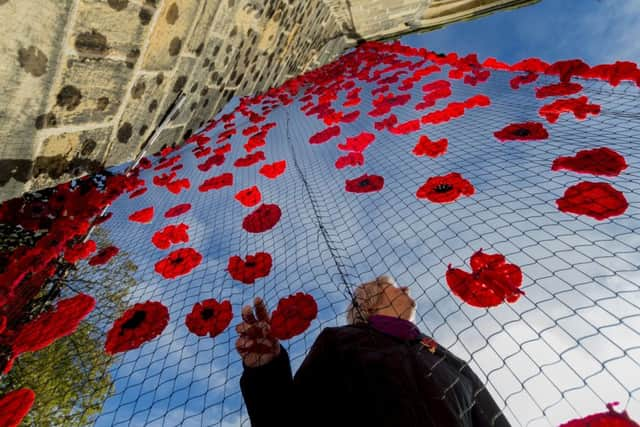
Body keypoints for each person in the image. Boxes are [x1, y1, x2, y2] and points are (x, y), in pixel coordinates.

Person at [236, 275, 511, 427]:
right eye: (392, 286)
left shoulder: (449, 359)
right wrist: (266, 372)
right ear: (370, 300)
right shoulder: (339, 341)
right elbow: (289, 420)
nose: (405, 286)